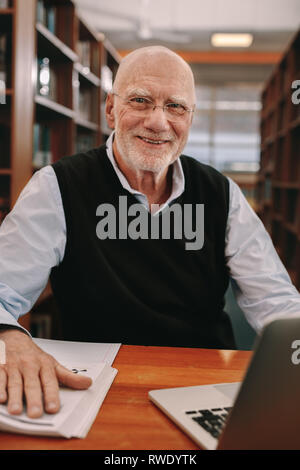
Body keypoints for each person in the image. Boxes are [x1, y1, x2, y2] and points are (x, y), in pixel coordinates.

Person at [0, 46, 300, 419]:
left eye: (175, 107)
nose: (158, 122)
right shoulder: (57, 186)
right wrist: (9, 337)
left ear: (190, 118)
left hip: (201, 382)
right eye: (141, 101)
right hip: (93, 386)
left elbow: (277, 302)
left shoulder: (221, 193)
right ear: (111, 109)